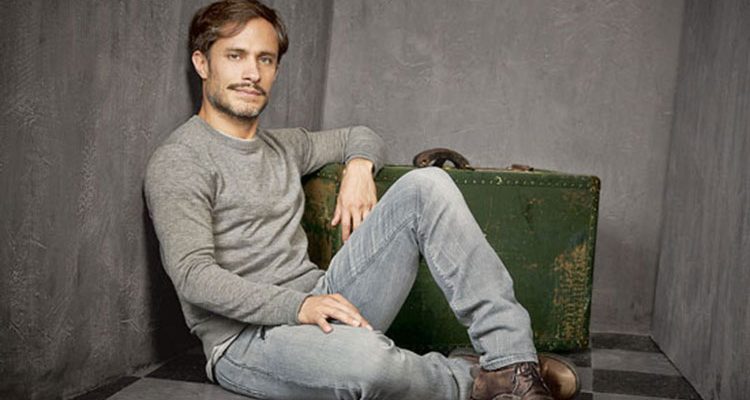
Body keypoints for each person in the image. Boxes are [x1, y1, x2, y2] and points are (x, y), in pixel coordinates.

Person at [144, 1, 578, 399]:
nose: (252, 73)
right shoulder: (180, 160)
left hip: (324, 298)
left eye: (265, 59)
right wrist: (298, 307)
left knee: (427, 185)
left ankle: (511, 361)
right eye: (235, 56)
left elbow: (361, 135)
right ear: (202, 63)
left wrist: (358, 167)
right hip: (244, 341)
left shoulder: (284, 147)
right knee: (370, 364)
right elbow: (194, 277)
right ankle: (475, 381)